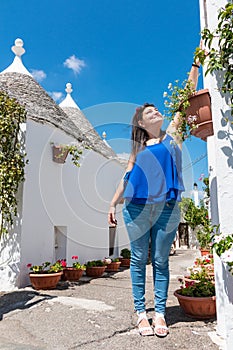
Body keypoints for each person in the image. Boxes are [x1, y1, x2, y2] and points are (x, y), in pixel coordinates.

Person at [108, 59, 200, 337]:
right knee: (138, 261)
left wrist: (196, 64)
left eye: (157, 109)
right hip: (135, 207)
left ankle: (159, 313)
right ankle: (140, 313)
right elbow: (128, 173)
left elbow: (185, 99)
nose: (156, 111)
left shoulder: (173, 137)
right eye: (149, 111)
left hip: (168, 207)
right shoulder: (137, 148)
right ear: (140, 121)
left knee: (161, 260)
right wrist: (113, 202)